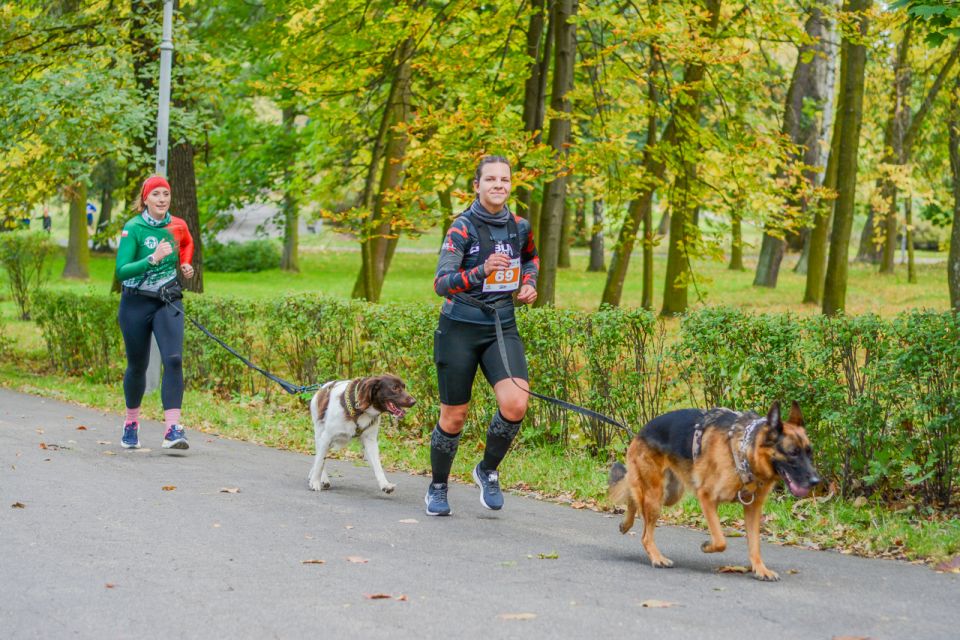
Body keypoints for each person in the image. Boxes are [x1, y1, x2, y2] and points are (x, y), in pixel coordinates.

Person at [425, 155, 539, 516]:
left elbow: (532, 258)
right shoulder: (462, 228)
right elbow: (442, 283)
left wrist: (529, 283)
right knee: (454, 416)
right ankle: (438, 487)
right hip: (459, 327)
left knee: (516, 403)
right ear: (477, 185)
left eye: (504, 180)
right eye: (490, 179)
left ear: (510, 185)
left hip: (501, 325)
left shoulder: (520, 227)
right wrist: (480, 271)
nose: (498, 185)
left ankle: (487, 470)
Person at [115, 175, 195, 450]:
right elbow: (121, 270)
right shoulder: (133, 228)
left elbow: (186, 244)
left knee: (173, 360)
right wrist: (152, 259)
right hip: (135, 303)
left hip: (167, 300)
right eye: (156, 195)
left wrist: (185, 264)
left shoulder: (177, 225)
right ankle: (131, 423)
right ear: (145, 199)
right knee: (138, 366)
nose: (162, 199)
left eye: (166, 194)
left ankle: (173, 429)